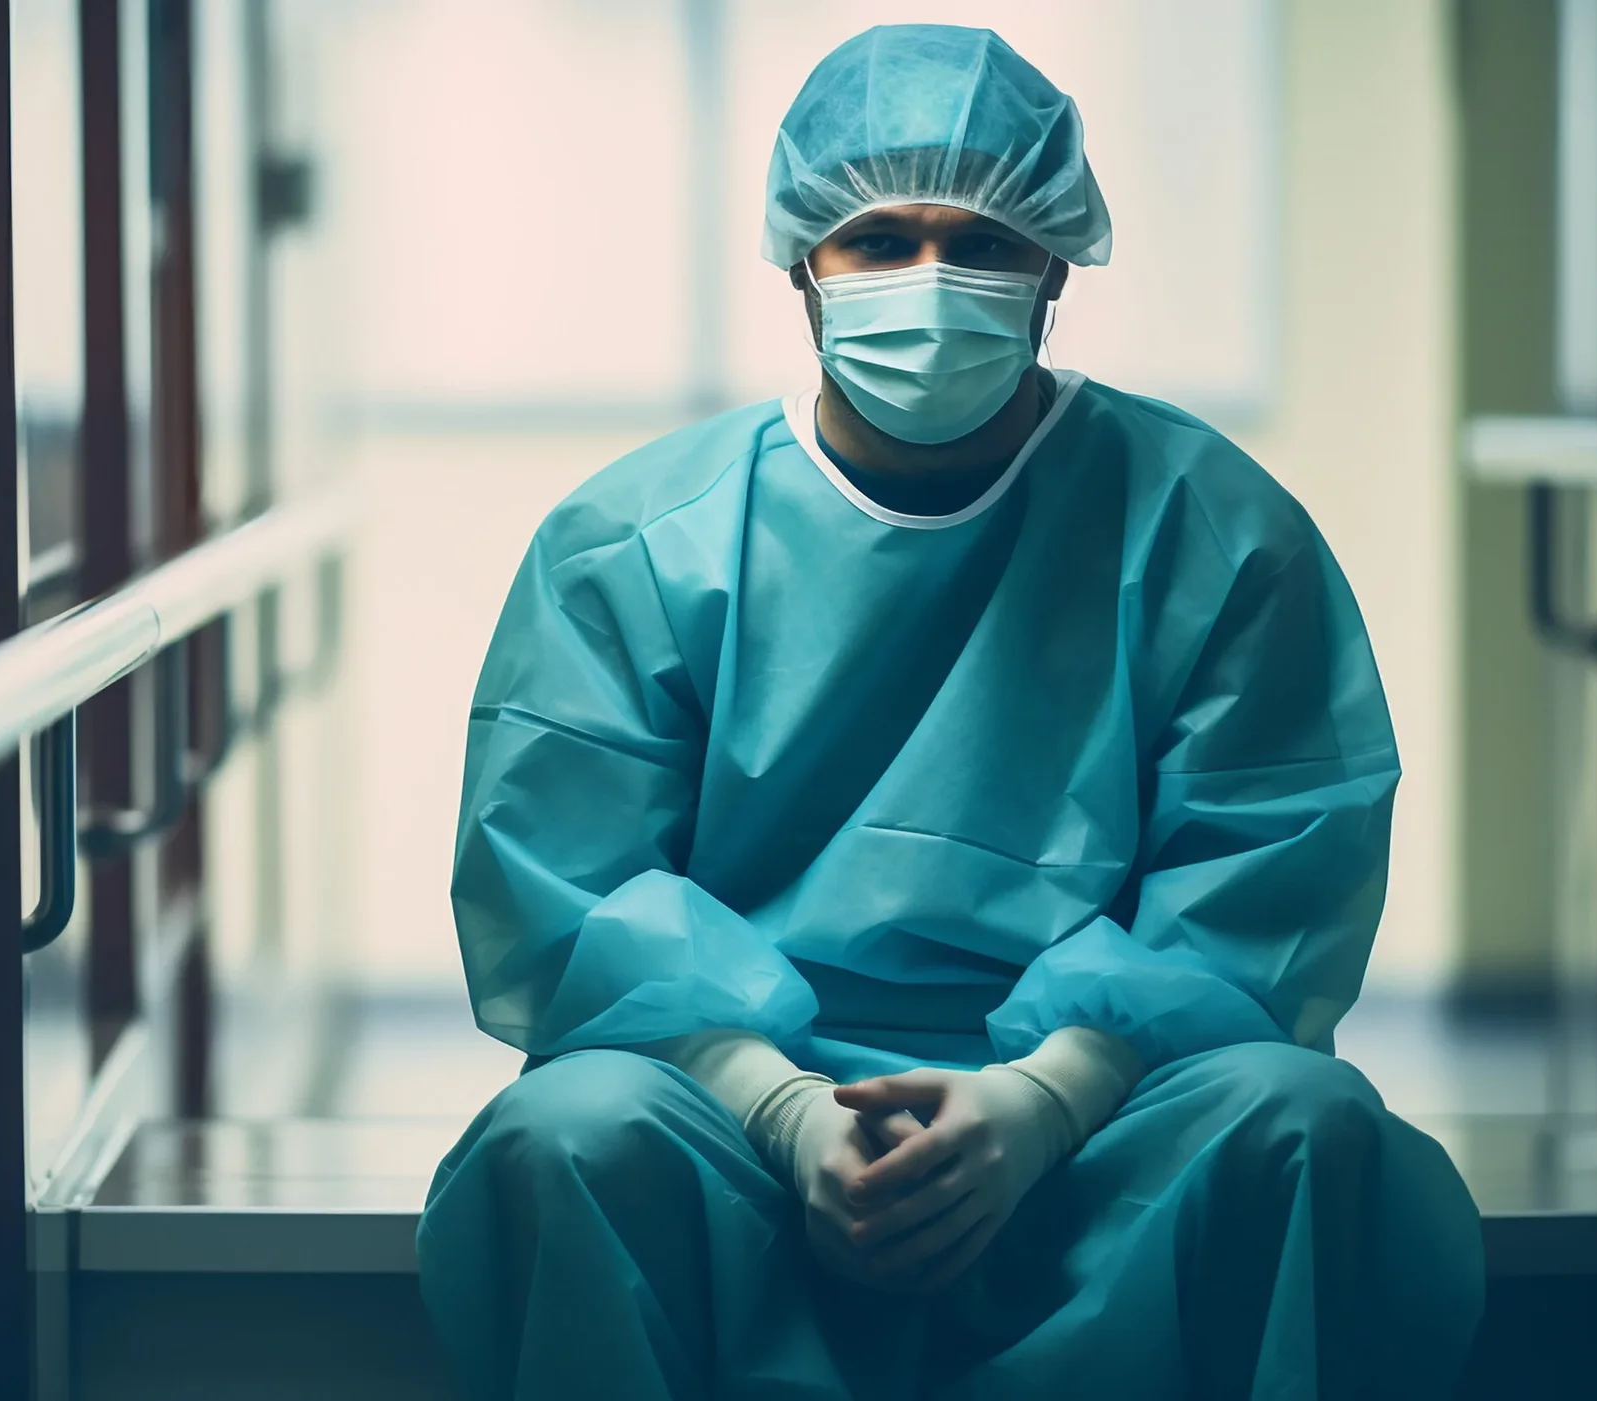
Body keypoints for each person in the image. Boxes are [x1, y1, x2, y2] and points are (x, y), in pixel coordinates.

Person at [415, 23, 1484, 1401]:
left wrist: (1047, 1101)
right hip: (740, 1109)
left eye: (984, 241)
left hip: (1109, 1108)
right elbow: (568, 887)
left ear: (1056, 264)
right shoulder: (642, 542)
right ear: (803, 259)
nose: (933, 281)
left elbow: (1264, 878)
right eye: (881, 240)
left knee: (1300, 1122)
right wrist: (784, 1110)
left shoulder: (1206, 527)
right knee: (567, 1134)